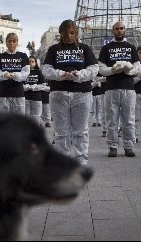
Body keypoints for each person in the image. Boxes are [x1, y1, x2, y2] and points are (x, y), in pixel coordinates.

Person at [43, 19, 99, 164]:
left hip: (82, 93)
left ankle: (81, 161)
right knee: (61, 132)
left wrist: (79, 74)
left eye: (72, 32)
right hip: (59, 94)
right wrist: (60, 74)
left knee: (81, 130)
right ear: (61, 33)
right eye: (66, 33)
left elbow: (94, 69)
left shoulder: (84, 48)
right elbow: (46, 70)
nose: (69, 36)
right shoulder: (54, 49)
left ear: (76, 33)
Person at [99, 21, 140, 157]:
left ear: (125, 30)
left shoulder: (131, 47)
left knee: (128, 119)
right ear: (113, 31)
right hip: (111, 88)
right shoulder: (106, 48)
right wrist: (113, 70)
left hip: (128, 88)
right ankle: (112, 146)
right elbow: (101, 68)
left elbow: (137, 67)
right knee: (112, 119)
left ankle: (128, 146)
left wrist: (128, 69)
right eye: (117, 29)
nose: (119, 31)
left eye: (121, 28)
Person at [0, 33, 30, 114]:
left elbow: (26, 72)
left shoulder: (23, 56)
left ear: (17, 43)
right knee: (4, 119)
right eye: (9, 41)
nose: (11, 43)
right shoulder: (0, 57)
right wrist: (4, 75)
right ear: (6, 43)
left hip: (18, 92)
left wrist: (16, 75)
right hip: (3, 92)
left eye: (14, 41)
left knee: (19, 119)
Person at [23, 56, 44, 124]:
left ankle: (37, 131)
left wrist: (35, 87)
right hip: (26, 97)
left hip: (37, 97)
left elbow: (43, 85)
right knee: (27, 116)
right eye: (29, 62)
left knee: (37, 116)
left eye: (32, 61)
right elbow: (21, 84)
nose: (31, 63)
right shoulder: (24, 72)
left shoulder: (39, 72)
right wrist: (26, 87)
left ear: (35, 63)